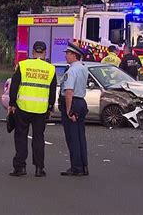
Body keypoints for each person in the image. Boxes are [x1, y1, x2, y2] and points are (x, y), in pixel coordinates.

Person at [8, 41, 57, 177]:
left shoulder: (23, 66)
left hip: (23, 107)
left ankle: (20, 167)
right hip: (41, 109)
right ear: (45, 52)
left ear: (33, 52)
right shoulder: (50, 69)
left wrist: (12, 103)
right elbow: (52, 91)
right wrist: (50, 106)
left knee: (21, 137)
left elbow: (14, 86)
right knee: (38, 138)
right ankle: (39, 168)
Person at [59, 43, 89, 176]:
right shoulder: (83, 68)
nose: (66, 56)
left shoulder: (71, 71)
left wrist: (68, 110)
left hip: (73, 102)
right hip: (81, 102)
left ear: (73, 55)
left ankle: (76, 167)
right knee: (80, 136)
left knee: (72, 137)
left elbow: (69, 91)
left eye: (67, 53)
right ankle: (83, 165)